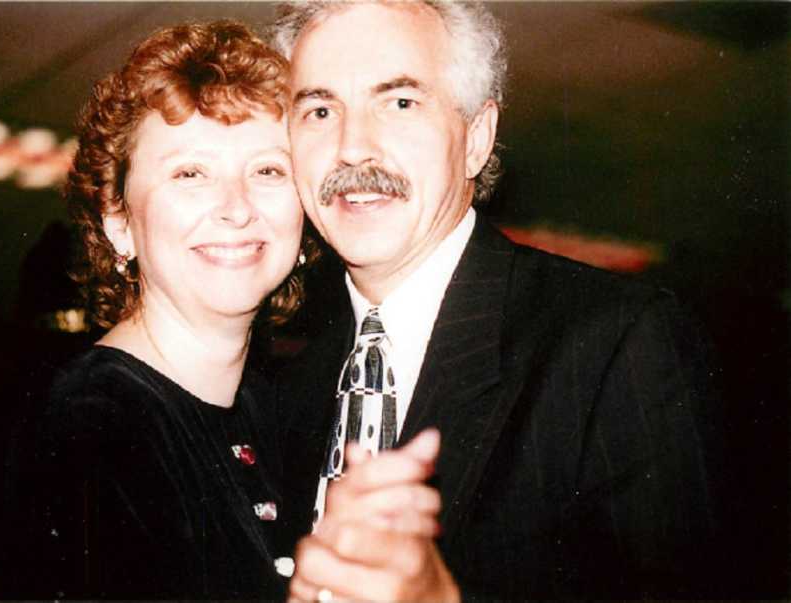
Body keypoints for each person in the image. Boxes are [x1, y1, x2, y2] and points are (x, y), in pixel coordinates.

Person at [272, 1, 724, 600]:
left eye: (400, 102)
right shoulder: (282, 392)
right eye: (321, 109)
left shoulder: (616, 342)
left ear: (477, 139)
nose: (353, 148)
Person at [0, 21, 307, 599]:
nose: (236, 209)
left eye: (268, 171)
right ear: (118, 221)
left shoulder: (275, 410)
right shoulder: (89, 428)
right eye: (190, 174)